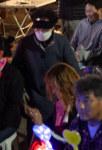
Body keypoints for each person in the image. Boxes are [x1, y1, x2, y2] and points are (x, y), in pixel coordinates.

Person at [12, 8, 80, 141]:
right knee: (34, 135)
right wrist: (21, 89)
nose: (41, 33)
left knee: (54, 136)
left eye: (45, 30)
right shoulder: (24, 43)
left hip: (57, 98)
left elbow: (73, 69)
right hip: (34, 96)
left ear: (53, 28)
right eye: (38, 30)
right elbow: (15, 70)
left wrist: (76, 93)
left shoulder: (62, 42)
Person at [25, 63, 79, 150]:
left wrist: (41, 126)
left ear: (65, 85)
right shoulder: (60, 104)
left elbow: (67, 141)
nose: (53, 92)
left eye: (55, 87)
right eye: (52, 87)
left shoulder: (77, 109)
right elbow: (50, 126)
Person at [71, 0, 102, 66]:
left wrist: (82, 56)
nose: (87, 14)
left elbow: (101, 49)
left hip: (90, 61)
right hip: (75, 57)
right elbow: (74, 42)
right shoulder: (83, 22)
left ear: (99, 10)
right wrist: (70, 51)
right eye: (86, 11)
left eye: (90, 11)